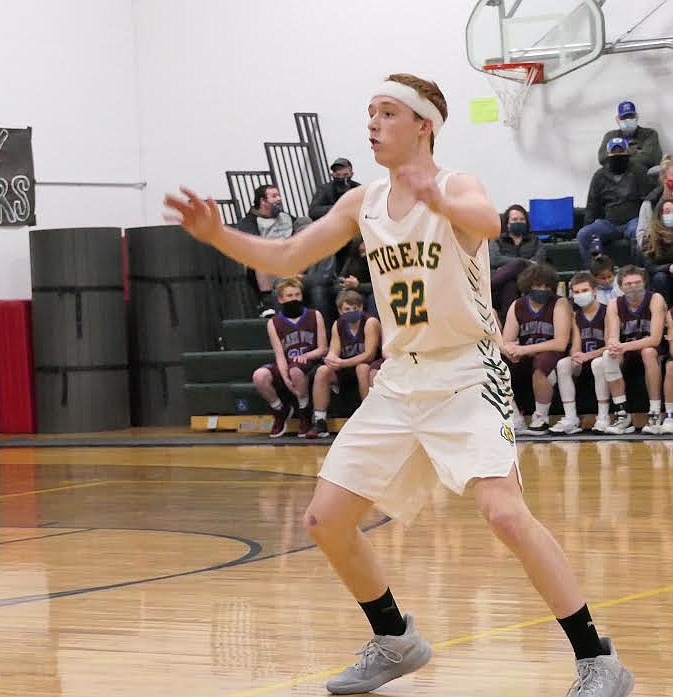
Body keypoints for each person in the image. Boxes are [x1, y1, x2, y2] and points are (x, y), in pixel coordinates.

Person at [165, 72, 633, 697]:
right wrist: (217, 234)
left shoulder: (453, 186)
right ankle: (394, 640)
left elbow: (488, 221)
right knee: (325, 520)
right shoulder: (362, 202)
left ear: (424, 125)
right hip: (401, 379)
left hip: (468, 370)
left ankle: (597, 658)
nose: (373, 123)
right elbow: (289, 256)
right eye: (370, 113)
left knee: (503, 514)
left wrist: (437, 202)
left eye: (387, 113)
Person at [251, 277, 327, 437]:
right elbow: (279, 355)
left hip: (310, 363)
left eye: (297, 295)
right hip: (287, 363)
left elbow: (322, 349)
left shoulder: (315, 315)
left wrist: (305, 355)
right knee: (259, 376)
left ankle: (304, 411)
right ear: (280, 299)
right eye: (290, 295)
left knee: (296, 371)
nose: (294, 298)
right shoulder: (274, 322)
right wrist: (285, 378)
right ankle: (280, 409)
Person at [501, 264, 572, 434]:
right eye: (538, 285)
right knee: (498, 365)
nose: (543, 289)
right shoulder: (517, 305)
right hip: (526, 352)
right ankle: (515, 418)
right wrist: (509, 351)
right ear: (528, 285)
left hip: (553, 353)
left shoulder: (560, 303)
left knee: (541, 363)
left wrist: (524, 350)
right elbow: (506, 341)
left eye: (547, 286)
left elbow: (560, 343)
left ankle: (541, 417)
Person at [597, 265, 668, 434]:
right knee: (608, 355)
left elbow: (655, 339)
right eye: (628, 284)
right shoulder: (614, 304)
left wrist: (622, 346)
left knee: (648, 352)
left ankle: (655, 412)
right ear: (621, 286)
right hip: (628, 347)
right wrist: (614, 345)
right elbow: (612, 336)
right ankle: (622, 414)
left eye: (637, 282)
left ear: (644, 283)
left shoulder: (655, 299)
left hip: (654, 348)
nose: (633, 286)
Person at [304, 290, 381, 439]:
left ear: (362, 308)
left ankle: (368, 417)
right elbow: (333, 351)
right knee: (322, 371)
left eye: (355, 308)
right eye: (347, 309)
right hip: (346, 367)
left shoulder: (370, 322)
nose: (352, 311)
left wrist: (342, 362)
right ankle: (320, 422)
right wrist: (331, 359)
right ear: (340, 311)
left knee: (362, 367)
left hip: (369, 364)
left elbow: (369, 355)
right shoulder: (338, 325)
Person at [549, 273, 611, 435]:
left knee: (598, 363)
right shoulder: (575, 315)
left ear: (594, 291)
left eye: (584, 290)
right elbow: (576, 345)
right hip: (584, 359)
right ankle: (571, 418)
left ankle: (603, 417)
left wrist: (588, 356)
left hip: (605, 359)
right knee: (563, 364)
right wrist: (576, 356)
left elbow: (610, 345)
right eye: (576, 292)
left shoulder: (608, 311)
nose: (580, 295)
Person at [237, 184, 310, 317]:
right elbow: (253, 245)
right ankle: (267, 301)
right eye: (274, 196)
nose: (279, 199)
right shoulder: (249, 222)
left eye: (278, 195)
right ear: (263, 201)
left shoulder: (286, 216)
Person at [578, 137, 650, 266]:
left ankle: (639, 272)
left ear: (627, 153)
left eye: (621, 152)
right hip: (609, 223)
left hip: (633, 220)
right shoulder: (599, 175)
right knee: (584, 234)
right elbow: (592, 204)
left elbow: (648, 197)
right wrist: (588, 225)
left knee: (639, 232)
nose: (617, 155)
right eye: (614, 152)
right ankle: (597, 274)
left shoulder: (639, 171)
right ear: (608, 155)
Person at [490, 204, 546, 319]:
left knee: (518, 267)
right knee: (511, 283)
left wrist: (511, 266)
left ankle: (487, 287)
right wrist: (522, 262)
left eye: (522, 219)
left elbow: (538, 263)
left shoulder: (535, 241)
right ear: (507, 223)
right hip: (500, 286)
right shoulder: (497, 240)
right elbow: (493, 259)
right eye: (515, 219)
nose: (518, 222)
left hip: (527, 280)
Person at [595, 100, 662, 172]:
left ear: (636, 117)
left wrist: (617, 156)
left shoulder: (649, 134)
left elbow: (649, 159)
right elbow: (602, 158)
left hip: (641, 177)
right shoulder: (611, 136)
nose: (627, 120)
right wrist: (634, 151)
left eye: (631, 116)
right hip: (615, 180)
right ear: (618, 119)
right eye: (624, 117)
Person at [641, 196, 673, 307]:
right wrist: (669, 267)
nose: (671, 215)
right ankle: (664, 312)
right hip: (659, 278)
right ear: (660, 215)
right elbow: (649, 266)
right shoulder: (649, 236)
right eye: (667, 211)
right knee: (660, 277)